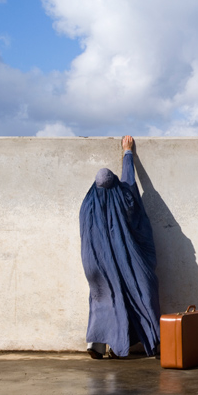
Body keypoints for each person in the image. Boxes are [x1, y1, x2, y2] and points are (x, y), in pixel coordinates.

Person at [79, 135, 160, 359]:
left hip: (96, 265)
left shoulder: (88, 204)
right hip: (127, 262)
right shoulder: (124, 199)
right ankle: (122, 346)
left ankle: (95, 345)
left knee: (103, 298)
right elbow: (130, 184)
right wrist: (127, 154)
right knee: (142, 291)